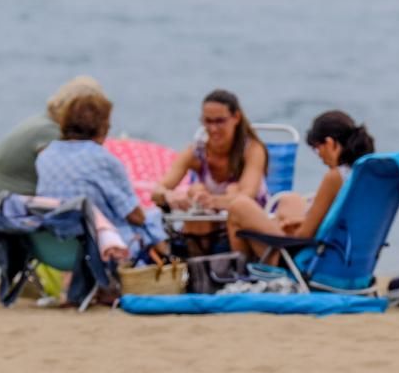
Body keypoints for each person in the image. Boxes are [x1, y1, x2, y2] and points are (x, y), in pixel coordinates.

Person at [226, 110, 374, 262]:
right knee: (290, 199)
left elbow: (305, 235)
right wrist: (299, 222)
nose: (320, 157)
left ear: (330, 144)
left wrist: (287, 231)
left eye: (318, 149)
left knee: (239, 206)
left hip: (307, 262)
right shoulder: (363, 175)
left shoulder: (335, 177)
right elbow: (337, 222)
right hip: (346, 259)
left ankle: (242, 274)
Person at [34, 92, 168, 259]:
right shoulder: (103, 159)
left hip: (53, 247)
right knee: (154, 222)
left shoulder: (45, 156)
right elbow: (134, 215)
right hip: (101, 248)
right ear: (102, 126)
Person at [0, 76, 104, 198]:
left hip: (3, 204)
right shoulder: (50, 132)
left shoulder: (42, 123)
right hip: (7, 210)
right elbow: (67, 180)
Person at [151, 89, 270, 213]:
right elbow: (157, 190)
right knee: (196, 190)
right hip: (212, 223)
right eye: (208, 121)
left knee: (232, 190)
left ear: (236, 118)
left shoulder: (253, 150)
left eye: (220, 121)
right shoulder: (195, 152)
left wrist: (209, 201)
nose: (213, 129)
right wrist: (168, 195)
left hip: (248, 219)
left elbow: (247, 195)